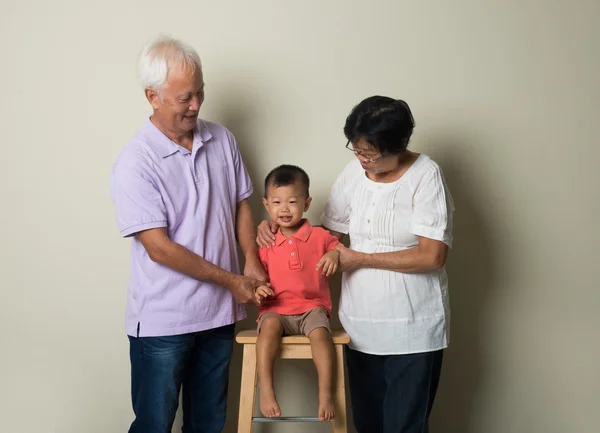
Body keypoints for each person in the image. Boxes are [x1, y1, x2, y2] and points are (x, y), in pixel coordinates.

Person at [257, 96, 454, 433]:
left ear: (400, 144)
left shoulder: (426, 176)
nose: (361, 158)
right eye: (357, 149)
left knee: (404, 426)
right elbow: (324, 237)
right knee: (367, 425)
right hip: (360, 328)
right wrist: (275, 227)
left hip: (413, 330)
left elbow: (433, 255)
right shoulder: (354, 173)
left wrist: (360, 258)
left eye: (370, 153)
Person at [110, 36, 271, 433]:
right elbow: (160, 249)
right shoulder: (135, 162)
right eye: (185, 97)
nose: (197, 105)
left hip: (218, 317)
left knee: (208, 424)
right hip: (164, 321)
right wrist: (233, 280)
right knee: (154, 425)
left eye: (200, 92)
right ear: (153, 96)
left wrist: (251, 260)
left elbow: (241, 206)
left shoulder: (222, 139)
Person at [253, 164, 340, 421]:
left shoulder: (320, 236)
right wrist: (259, 289)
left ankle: (325, 393)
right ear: (266, 205)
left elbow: (339, 250)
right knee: (267, 331)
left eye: (292, 201)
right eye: (277, 202)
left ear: (307, 203)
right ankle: (266, 391)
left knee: (321, 337)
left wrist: (334, 254)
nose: (284, 208)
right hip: (276, 309)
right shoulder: (266, 242)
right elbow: (258, 278)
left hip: (312, 306)